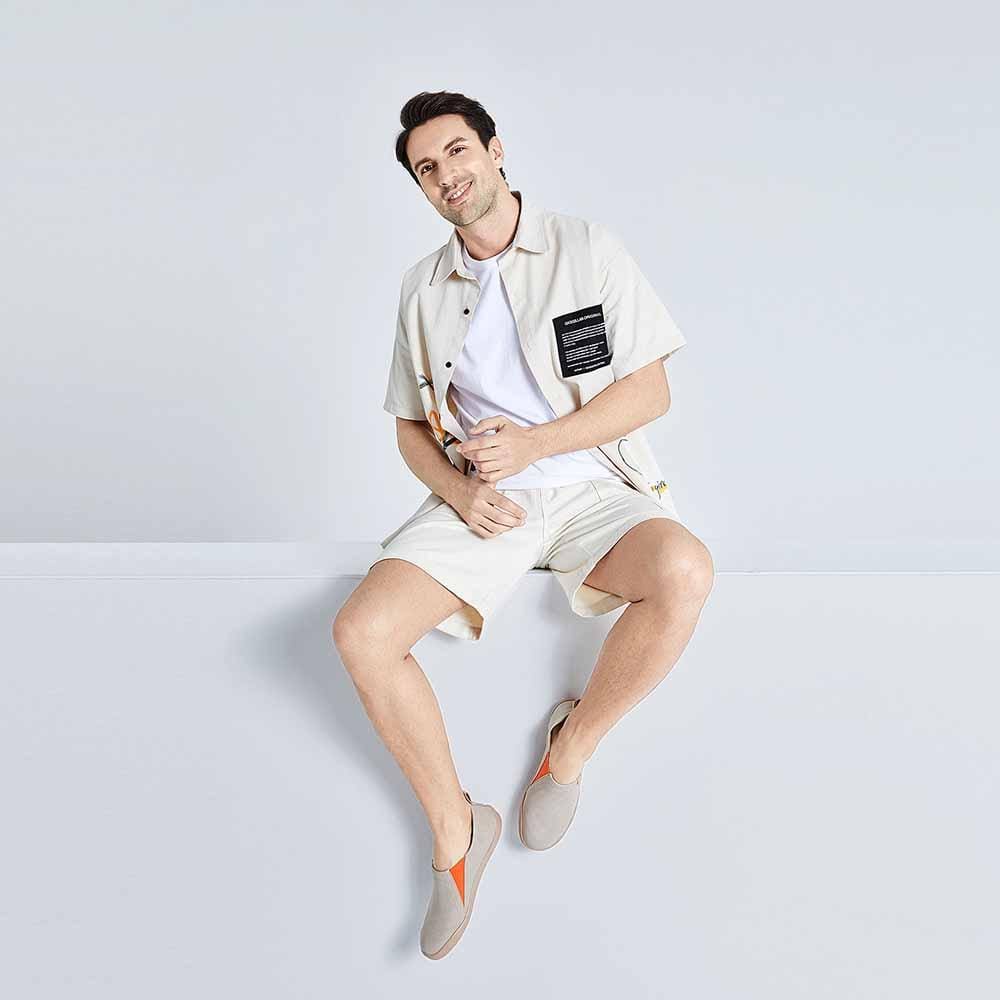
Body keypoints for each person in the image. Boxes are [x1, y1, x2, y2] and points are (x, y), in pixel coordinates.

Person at [333, 90, 715, 960]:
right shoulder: (422, 288)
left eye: (457, 152)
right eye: (426, 169)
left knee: (685, 571)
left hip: (596, 491)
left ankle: (569, 749)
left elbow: (650, 391)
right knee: (361, 633)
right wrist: (460, 491)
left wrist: (538, 444)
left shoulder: (586, 249)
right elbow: (408, 428)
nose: (446, 176)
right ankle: (457, 830)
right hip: (487, 505)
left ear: (495, 151)